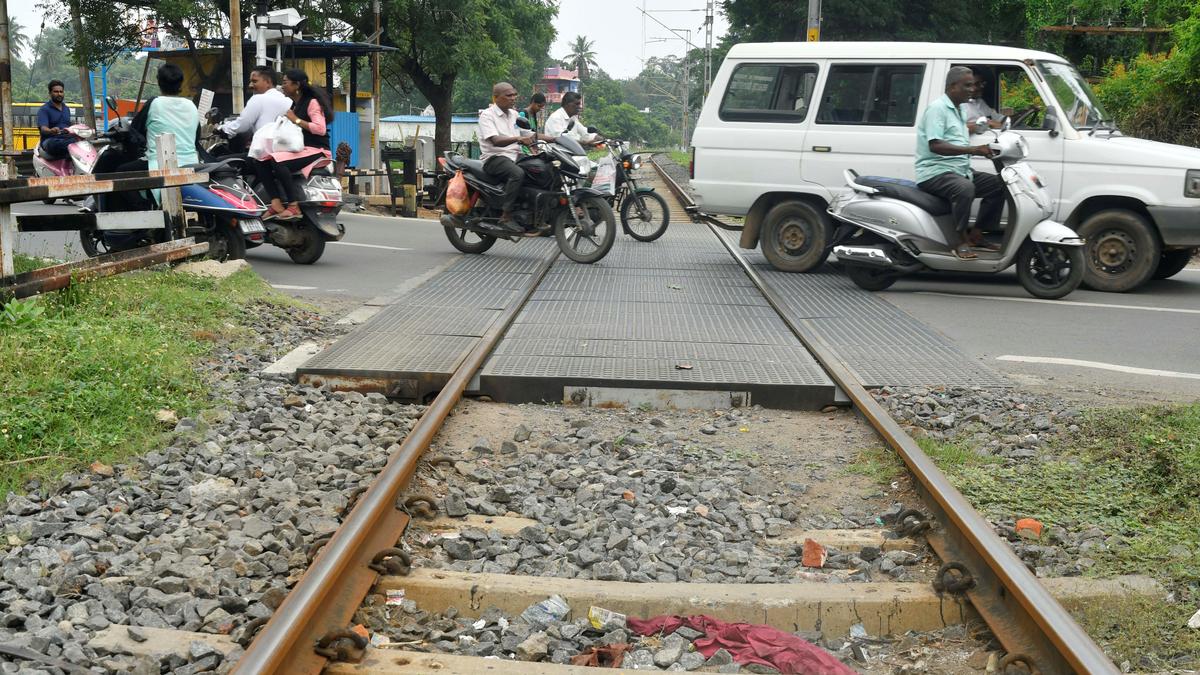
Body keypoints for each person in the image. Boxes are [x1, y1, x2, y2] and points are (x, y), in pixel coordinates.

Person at [915, 66, 1005, 260]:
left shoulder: (960, 109)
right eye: (968, 85)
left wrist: (987, 147)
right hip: (935, 172)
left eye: (973, 85)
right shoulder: (938, 109)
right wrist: (974, 150)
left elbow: (961, 134)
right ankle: (958, 241)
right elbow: (936, 145)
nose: (972, 89)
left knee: (1001, 184)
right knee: (965, 189)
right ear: (953, 86)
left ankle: (977, 234)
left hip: (959, 169)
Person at [253, 68, 333, 221]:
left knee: (278, 161)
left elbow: (320, 129)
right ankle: (276, 203)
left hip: (318, 150)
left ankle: (293, 206)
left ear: (296, 85)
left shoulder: (312, 103)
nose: (282, 86)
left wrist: (295, 119)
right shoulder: (296, 104)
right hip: (302, 148)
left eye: (285, 83)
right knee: (260, 159)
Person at [477, 81, 556, 235]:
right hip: (494, 157)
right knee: (517, 174)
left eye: (514, 95)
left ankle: (535, 215)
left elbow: (529, 134)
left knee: (541, 169)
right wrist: (518, 139)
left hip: (515, 156)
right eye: (508, 95)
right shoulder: (487, 115)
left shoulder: (514, 114)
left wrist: (554, 139)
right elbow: (495, 140)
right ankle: (505, 216)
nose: (513, 98)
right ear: (496, 97)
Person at [219, 65, 292, 138]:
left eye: (254, 81)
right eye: (250, 81)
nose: (250, 85)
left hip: (263, 146)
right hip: (284, 146)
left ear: (268, 82)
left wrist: (222, 128)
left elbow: (242, 125)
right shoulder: (287, 100)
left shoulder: (258, 99)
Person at [37, 80, 77, 160]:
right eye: (56, 91)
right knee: (57, 144)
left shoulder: (66, 109)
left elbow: (68, 125)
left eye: (61, 92)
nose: (59, 94)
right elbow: (43, 129)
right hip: (50, 140)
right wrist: (51, 130)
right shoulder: (44, 109)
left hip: (67, 138)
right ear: (50, 93)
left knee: (83, 142)